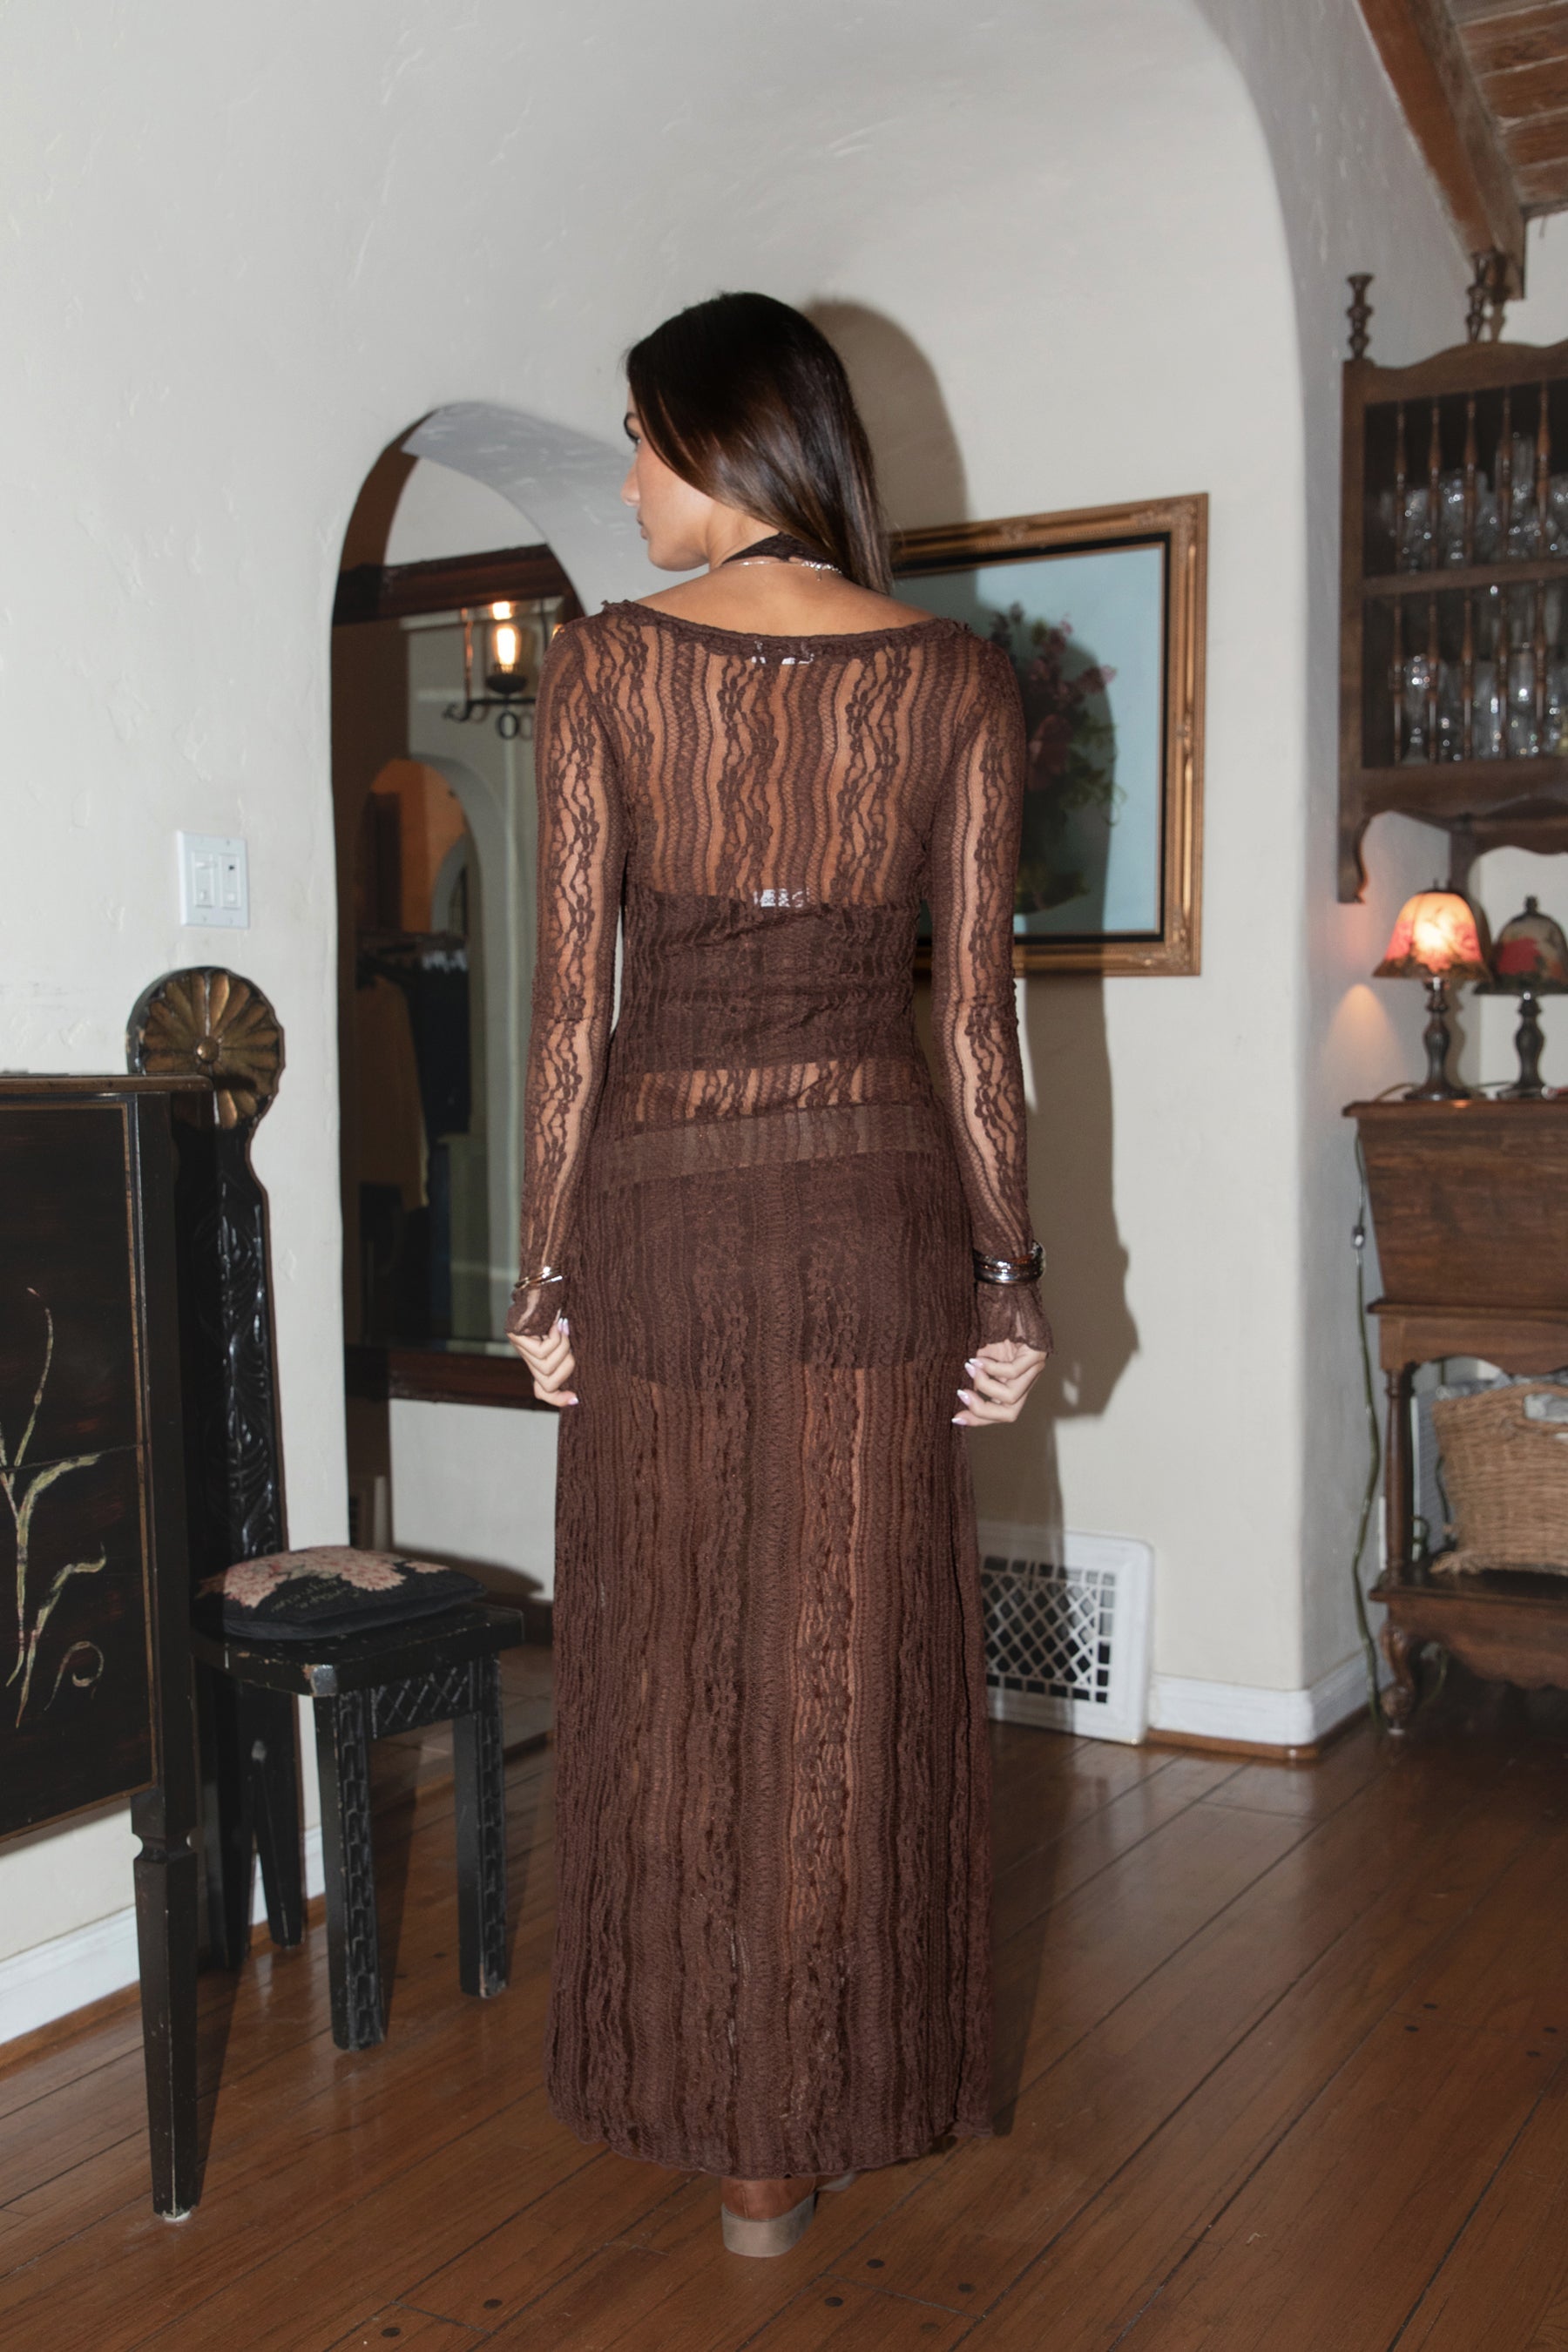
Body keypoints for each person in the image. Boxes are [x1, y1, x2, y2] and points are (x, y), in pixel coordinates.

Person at [506, 291, 1050, 2258]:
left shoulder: (603, 673)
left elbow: (575, 1012)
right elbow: (976, 1031)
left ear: (726, 448)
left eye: (641, 440)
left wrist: (541, 1275)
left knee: (666, 1675)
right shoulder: (959, 681)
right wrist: (1012, 1283)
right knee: (847, 1677)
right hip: (872, 1217)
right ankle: (798, 2131)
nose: (631, 476)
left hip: (659, 1214)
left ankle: (703, 2104)